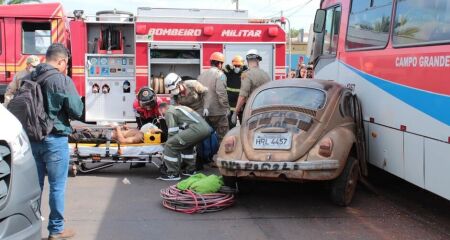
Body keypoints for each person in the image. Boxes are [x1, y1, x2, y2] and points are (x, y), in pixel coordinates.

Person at [30, 43, 83, 240]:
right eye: (66, 64)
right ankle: (56, 230)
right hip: (55, 139)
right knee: (57, 187)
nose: (66, 67)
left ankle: (31, 229)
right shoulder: (61, 80)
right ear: (61, 61)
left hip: (32, 140)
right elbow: (77, 110)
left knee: (34, 188)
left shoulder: (29, 76)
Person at [158, 104, 211, 181]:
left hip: (197, 129)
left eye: (161, 113)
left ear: (162, 109)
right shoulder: (180, 108)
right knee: (186, 146)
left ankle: (173, 173)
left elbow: (172, 132)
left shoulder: (169, 112)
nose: (162, 115)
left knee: (170, 144)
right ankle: (190, 170)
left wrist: (166, 150)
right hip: (206, 128)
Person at [231, 49, 271, 125]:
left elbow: (243, 96)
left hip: (251, 112)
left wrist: (235, 112)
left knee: (248, 134)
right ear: (258, 60)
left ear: (247, 60)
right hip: (264, 111)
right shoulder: (266, 75)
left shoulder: (246, 74)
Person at [198, 52, 229, 143]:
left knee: (206, 137)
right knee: (222, 137)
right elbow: (221, 93)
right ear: (220, 63)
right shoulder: (221, 75)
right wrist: (226, 107)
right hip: (218, 112)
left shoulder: (202, 75)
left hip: (205, 112)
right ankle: (221, 156)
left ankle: (207, 156)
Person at [223, 55, 248, 128]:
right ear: (233, 66)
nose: (237, 67)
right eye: (235, 65)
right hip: (231, 107)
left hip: (241, 106)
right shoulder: (229, 73)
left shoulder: (244, 74)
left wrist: (245, 69)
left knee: (244, 126)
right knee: (231, 127)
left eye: (239, 65)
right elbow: (222, 74)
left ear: (241, 66)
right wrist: (227, 68)